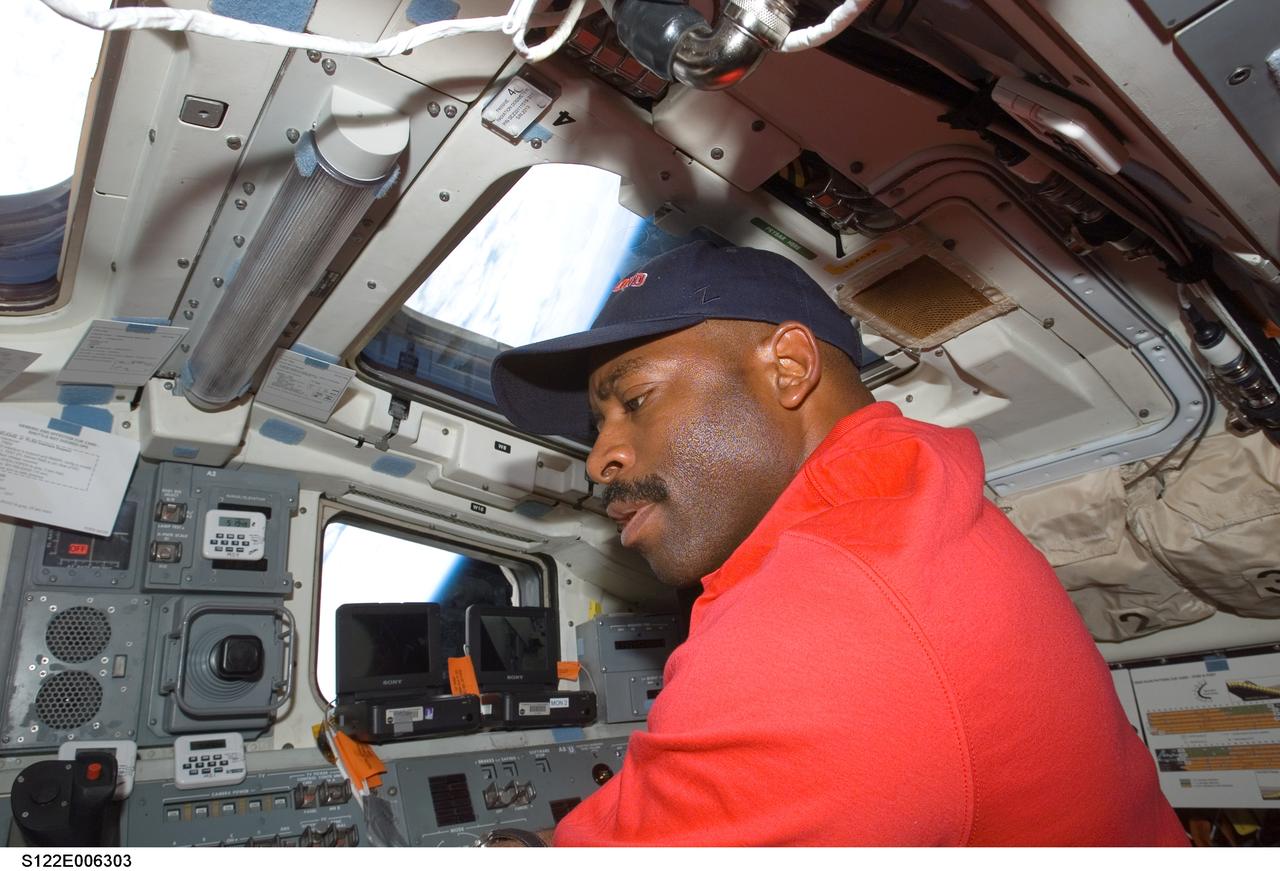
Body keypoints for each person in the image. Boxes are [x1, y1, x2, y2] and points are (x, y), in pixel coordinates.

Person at [490, 241, 1187, 846]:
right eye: (595, 426)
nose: (597, 458)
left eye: (635, 400)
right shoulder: (911, 503)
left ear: (789, 368)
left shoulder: (821, 617)